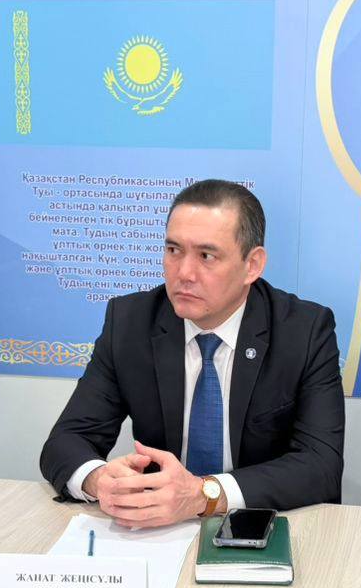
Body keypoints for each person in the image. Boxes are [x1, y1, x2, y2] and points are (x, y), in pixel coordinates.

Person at [41, 179, 344, 524]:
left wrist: (203, 494)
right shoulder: (130, 322)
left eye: (206, 256)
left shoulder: (304, 331)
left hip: (261, 524)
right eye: (173, 250)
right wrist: (100, 480)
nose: (184, 273)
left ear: (252, 265)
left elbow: (320, 465)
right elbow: (66, 441)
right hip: (158, 529)